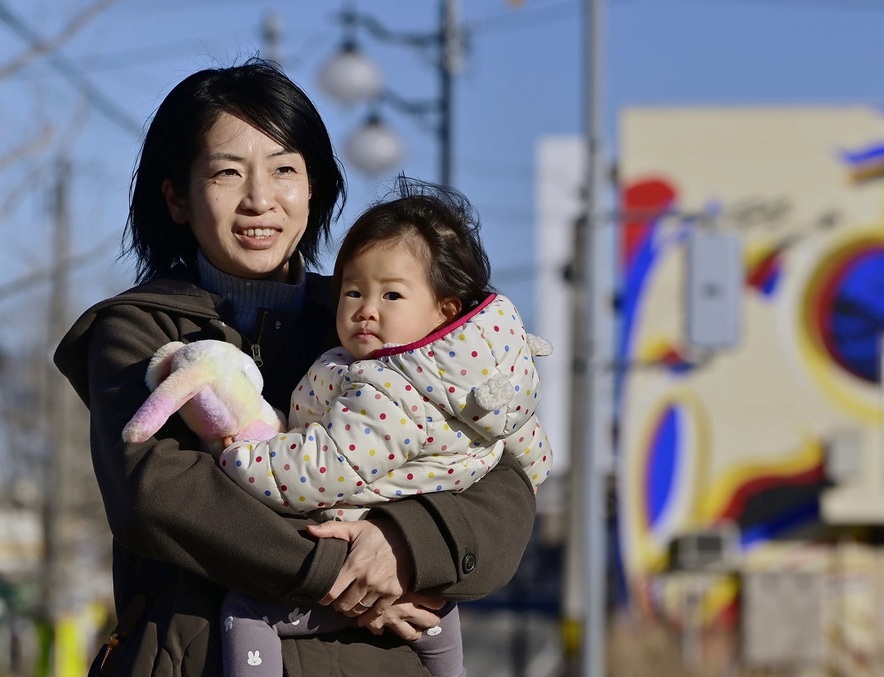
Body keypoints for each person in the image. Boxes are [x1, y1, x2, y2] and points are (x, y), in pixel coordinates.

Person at [53, 59, 538, 676]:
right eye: (228, 172)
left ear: (314, 189)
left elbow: (500, 473)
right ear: (175, 196)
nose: (260, 199)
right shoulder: (141, 333)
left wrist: (404, 546)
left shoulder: (374, 323)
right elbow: (160, 496)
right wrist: (347, 576)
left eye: (284, 169)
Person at [191, 177, 553, 677]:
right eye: (354, 291)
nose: (367, 309)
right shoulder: (481, 384)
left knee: (246, 611)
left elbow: (324, 467)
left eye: (392, 295)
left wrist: (241, 458)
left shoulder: (383, 386)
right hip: (423, 585)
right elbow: (528, 455)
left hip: (347, 541)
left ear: (445, 309)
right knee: (439, 637)